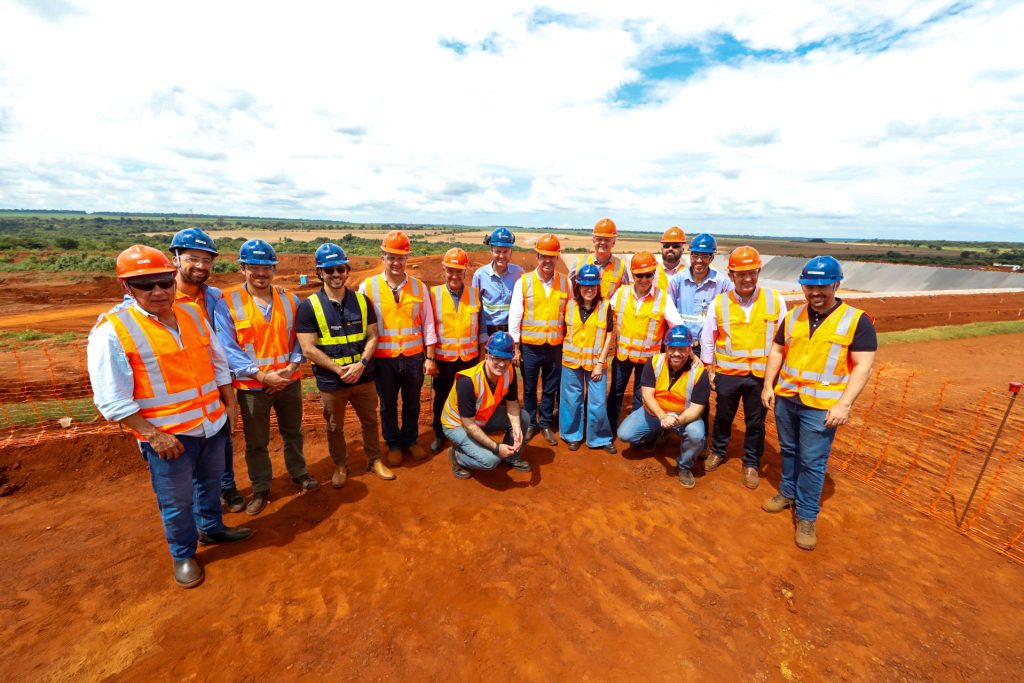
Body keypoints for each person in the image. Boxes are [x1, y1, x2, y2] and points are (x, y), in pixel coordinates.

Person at [87, 245, 251, 589]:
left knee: (209, 485)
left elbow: (217, 360)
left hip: (212, 423)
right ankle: (183, 553)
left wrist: (229, 405)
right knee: (175, 501)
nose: (159, 291)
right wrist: (153, 435)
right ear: (127, 288)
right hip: (170, 438)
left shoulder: (191, 313)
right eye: (146, 285)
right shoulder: (112, 331)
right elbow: (111, 400)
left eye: (164, 281)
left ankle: (212, 528)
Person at [761, 256, 877, 551]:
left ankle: (807, 514)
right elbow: (777, 351)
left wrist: (845, 404)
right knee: (788, 449)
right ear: (803, 286)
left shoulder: (856, 320)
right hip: (788, 397)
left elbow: (863, 365)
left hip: (822, 406)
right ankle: (787, 492)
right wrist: (768, 385)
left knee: (813, 461)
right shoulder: (793, 316)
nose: (816, 292)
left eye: (823, 285)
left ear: (836, 284)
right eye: (810, 285)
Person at [215, 239, 318, 516]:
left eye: (266, 268)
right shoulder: (228, 302)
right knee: (256, 442)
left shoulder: (290, 299)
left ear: (274, 269)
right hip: (252, 387)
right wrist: (262, 375)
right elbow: (227, 347)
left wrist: (291, 367)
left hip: (288, 381)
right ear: (242, 268)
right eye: (254, 267)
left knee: (293, 433)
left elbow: (299, 338)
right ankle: (261, 487)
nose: (260, 273)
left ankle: (299, 473)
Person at [295, 243, 395, 488]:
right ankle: (340, 465)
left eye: (340, 269)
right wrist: (340, 370)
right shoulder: (309, 306)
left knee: (371, 421)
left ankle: (374, 460)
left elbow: (373, 336)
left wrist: (361, 364)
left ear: (347, 270)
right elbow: (308, 348)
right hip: (332, 382)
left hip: (363, 377)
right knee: (334, 426)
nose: (336, 275)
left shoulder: (362, 301)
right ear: (320, 273)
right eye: (329, 271)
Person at [700, 246, 787, 489]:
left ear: (759, 272)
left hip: (761, 376)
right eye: (741, 274)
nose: (747, 278)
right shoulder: (719, 303)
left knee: (755, 421)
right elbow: (708, 337)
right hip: (728, 374)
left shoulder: (775, 299)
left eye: (752, 272)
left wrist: (776, 376)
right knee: (724, 416)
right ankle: (718, 451)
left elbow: (784, 340)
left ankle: (751, 463)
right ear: (731, 276)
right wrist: (710, 369)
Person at [358, 230, 438, 465]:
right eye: (391, 257)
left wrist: (430, 357)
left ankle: (410, 440)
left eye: (400, 257)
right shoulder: (368, 287)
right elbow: (364, 325)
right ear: (383, 257)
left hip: (414, 357)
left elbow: (428, 323)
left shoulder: (419, 287)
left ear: (407, 259)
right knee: (388, 404)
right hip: (383, 360)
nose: (396, 262)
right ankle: (393, 443)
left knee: (413, 402)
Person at [616, 325, 711, 489]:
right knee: (624, 434)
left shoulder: (700, 373)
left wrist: (675, 421)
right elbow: (647, 394)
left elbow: (696, 409)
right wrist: (662, 417)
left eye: (682, 349)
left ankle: (684, 466)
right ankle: (659, 431)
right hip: (656, 413)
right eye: (672, 348)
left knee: (696, 435)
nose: (676, 353)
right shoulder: (654, 362)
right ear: (666, 347)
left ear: (690, 350)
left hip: (684, 417)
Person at [667, 232, 733, 447]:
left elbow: (729, 313)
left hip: (704, 350)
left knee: (700, 394)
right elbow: (669, 310)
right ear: (690, 255)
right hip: (679, 347)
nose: (699, 261)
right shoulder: (677, 281)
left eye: (704, 256)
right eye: (696, 255)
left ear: (712, 258)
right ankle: (668, 430)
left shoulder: (721, 283)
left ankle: (700, 441)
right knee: (672, 388)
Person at [607, 251, 684, 432]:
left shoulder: (662, 298)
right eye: (639, 275)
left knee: (641, 397)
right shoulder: (621, 293)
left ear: (654, 274)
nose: (644, 279)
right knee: (615, 394)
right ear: (632, 275)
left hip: (649, 361)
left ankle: (637, 432)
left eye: (648, 274)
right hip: (623, 356)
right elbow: (604, 315)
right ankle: (608, 430)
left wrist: (683, 352)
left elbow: (677, 327)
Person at [441, 332, 531, 479]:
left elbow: (512, 403)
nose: (502, 364)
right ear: (487, 354)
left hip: (482, 416)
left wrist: (516, 427)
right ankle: (457, 456)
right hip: (457, 424)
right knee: (490, 461)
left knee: (523, 418)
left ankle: (510, 457)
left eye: (506, 359)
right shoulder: (468, 381)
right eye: (497, 358)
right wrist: (496, 447)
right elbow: (469, 425)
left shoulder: (509, 372)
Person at [508, 234, 570, 445]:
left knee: (550, 388)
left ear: (557, 258)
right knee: (529, 388)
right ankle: (531, 424)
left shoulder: (565, 282)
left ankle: (544, 424)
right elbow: (515, 315)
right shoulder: (523, 282)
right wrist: (515, 347)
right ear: (537, 256)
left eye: (552, 257)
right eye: (544, 256)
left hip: (554, 347)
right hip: (530, 348)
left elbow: (569, 315)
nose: (548, 261)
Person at [429, 248, 481, 454]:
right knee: (441, 397)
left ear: (465, 273)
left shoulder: (474, 295)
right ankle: (439, 434)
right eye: (450, 270)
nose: (454, 275)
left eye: (459, 271)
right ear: (444, 271)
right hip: (444, 359)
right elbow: (429, 329)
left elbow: (481, 328)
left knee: (467, 399)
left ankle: (466, 433)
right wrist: (430, 358)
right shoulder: (434, 294)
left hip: (469, 359)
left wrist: (482, 355)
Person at [559, 264, 616, 452]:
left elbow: (609, 335)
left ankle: (600, 438)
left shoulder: (605, 306)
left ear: (598, 286)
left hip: (595, 364)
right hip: (571, 362)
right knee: (571, 399)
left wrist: (601, 363)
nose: (589, 289)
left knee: (597, 401)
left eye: (593, 285)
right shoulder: (569, 305)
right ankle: (572, 434)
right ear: (578, 286)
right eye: (585, 285)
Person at [472, 227, 524, 344]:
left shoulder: (519, 273)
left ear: (511, 251)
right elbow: (477, 309)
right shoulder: (480, 275)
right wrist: (482, 336)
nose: (501, 256)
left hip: (511, 334)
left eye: (505, 252)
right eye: (498, 251)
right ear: (491, 249)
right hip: (488, 334)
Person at [572, 218, 630, 298]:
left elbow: (626, 297)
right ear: (593, 240)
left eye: (607, 240)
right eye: (599, 239)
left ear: (613, 243)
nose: (602, 242)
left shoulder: (621, 267)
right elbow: (569, 290)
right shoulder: (580, 262)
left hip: (608, 310)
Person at [655, 226, 687, 292]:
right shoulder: (651, 273)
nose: (670, 249)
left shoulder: (689, 274)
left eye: (675, 246)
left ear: (682, 250)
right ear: (662, 249)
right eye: (666, 246)